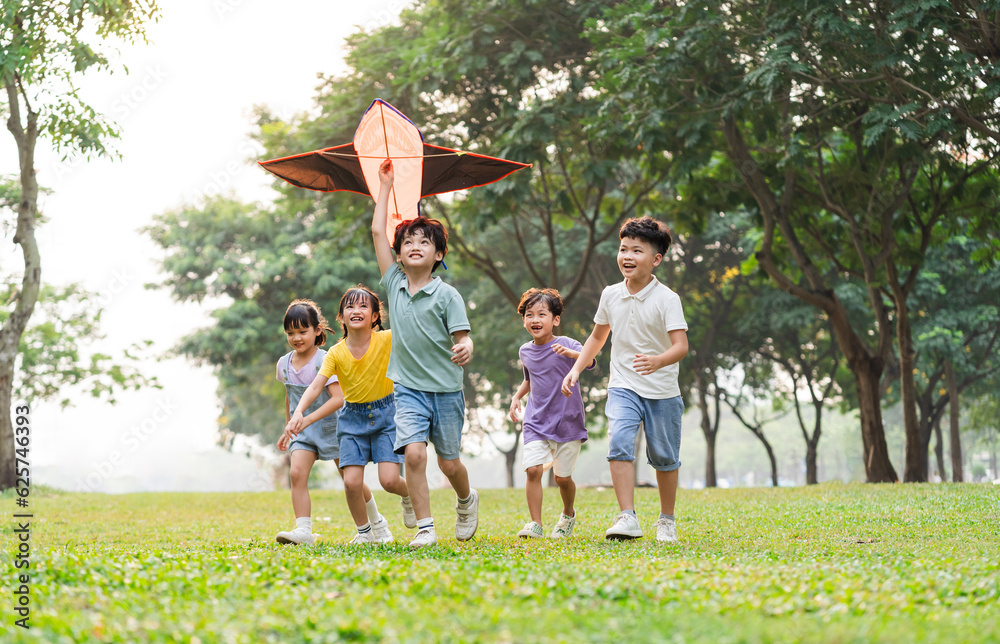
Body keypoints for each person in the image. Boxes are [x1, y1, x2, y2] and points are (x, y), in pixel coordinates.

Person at [371, 159, 478, 549]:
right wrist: (385, 186)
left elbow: (464, 338)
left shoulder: (448, 295)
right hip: (409, 389)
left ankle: (466, 500)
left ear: (438, 255)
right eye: (408, 242)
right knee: (413, 455)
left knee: (449, 463)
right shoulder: (394, 284)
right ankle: (427, 527)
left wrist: (465, 348)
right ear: (399, 255)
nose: (415, 246)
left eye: (425, 242)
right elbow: (377, 233)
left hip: (447, 391)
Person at [561, 216, 689, 542]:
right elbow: (597, 338)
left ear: (656, 259)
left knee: (664, 457)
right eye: (623, 249)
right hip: (623, 384)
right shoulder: (610, 294)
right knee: (619, 441)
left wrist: (659, 360)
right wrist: (576, 369)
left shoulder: (667, 299)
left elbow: (681, 346)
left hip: (662, 390)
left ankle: (667, 520)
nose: (627, 256)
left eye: (637, 250)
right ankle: (627, 517)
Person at [283, 288, 416, 545]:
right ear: (341, 317)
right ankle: (365, 533)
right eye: (350, 307)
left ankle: (410, 496)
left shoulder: (387, 339)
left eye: (364, 307)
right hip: (352, 420)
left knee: (389, 480)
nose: (356, 311)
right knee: (352, 483)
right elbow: (315, 386)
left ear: (376, 315)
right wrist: (299, 412)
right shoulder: (335, 353)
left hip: (386, 416)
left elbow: (410, 326)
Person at [508, 288, 594, 539]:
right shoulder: (525, 351)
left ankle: (568, 514)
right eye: (529, 314)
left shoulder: (568, 344)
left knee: (562, 479)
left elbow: (589, 361)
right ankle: (536, 523)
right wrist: (516, 397)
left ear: (555, 319)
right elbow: (530, 379)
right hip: (536, 421)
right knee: (533, 470)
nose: (535, 319)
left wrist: (572, 355)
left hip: (568, 422)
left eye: (541, 314)